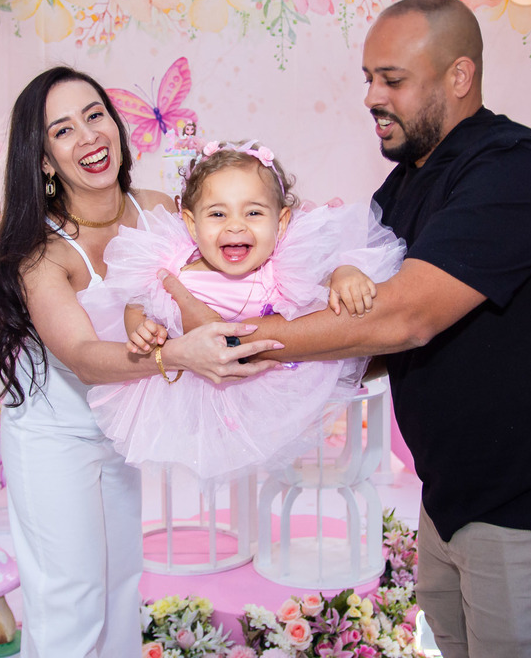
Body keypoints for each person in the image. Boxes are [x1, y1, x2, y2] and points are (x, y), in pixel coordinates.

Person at [165, 0, 531, 657]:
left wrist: (242, 343)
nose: (370, 96)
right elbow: (363, 331)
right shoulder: (406, 184)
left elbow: (406, 318)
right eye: (368, 77)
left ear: (458, 77)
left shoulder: (515, 169)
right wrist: (250, 341)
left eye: (392, 79)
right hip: (456, 488)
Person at [0, 67, 276, 658]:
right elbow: (85, 357)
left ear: (116, 126)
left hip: (119, 436)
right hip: (52, 440)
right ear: (43, 160)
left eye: (95, 116)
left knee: (118, 591)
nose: (88, 137)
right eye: (62, 130)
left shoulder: (162, 212)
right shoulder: (38, 251)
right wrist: (177, 356)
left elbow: (249, 249)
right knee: (70, 598)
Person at [77, 139, 406, 480]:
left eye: (253, 213)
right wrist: (140, 326)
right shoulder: (178, 271)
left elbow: (323, 281)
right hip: (198, 386)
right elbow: (139, 300)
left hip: (269, 384)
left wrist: (344, 273)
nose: (235, 226)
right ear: (191, 224)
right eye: (218, 214)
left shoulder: (282, 270)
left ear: (280, 224)